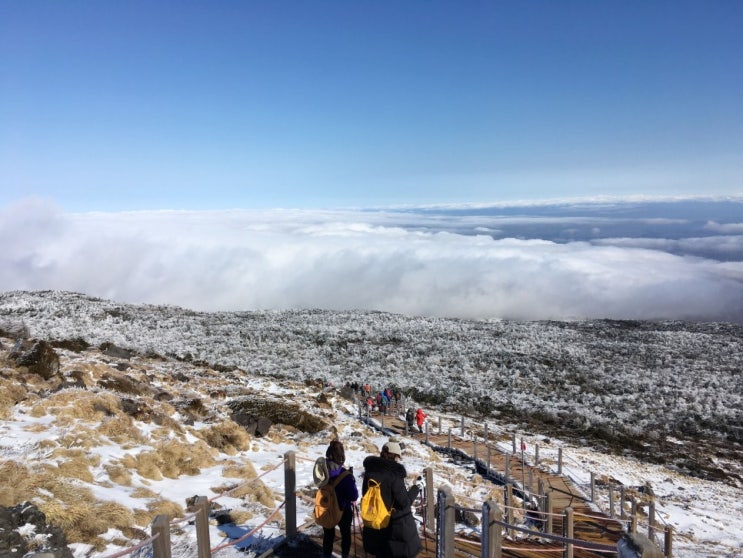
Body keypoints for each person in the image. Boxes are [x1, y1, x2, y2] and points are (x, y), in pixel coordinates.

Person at [361, 440, 422, 558]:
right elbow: (405, 502)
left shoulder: (369, 472)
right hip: (392, 527)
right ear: (395, 457)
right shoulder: (394, 475)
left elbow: (365, 494)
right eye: (398, 457)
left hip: (373, 521)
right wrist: (417, 487)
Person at [323, 440, 359, 558]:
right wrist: (350, 478)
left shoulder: (321, 469)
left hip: (326, 506)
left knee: (328, 534)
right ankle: (344, 556)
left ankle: (326, 555)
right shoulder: (345, 476)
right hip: (343, 509)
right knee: (345, 534)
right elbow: (353, 496)